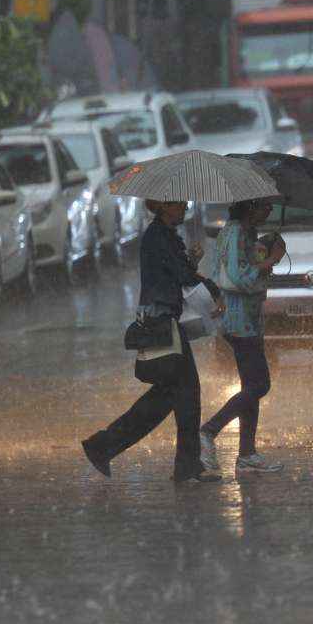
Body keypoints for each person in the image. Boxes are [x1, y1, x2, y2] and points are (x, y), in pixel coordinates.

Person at [81, 199, 224, 482]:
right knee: (184, 394)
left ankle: (105, 446)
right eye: (178, 203)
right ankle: (182, 465)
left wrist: (191, 262)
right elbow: (181, 276)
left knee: (170, 396)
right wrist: (214, 291)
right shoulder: (158, 237)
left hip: (166, 321)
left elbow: (177, 273)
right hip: (163, 325)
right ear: (162, 206)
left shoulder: (166, 236)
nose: (184, 207)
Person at [200, 198, 286, 475]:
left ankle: (247, 453)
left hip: (248, 318)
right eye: (265, 206)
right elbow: (239, 278)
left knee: (251, 387)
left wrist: (266, 255)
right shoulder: (236, 232)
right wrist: (270, 261)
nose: (269, 210)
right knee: (260, 385)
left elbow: (249, 272)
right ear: (251, 206)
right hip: (239, 321)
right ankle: (209, 430)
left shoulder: (243, 232)